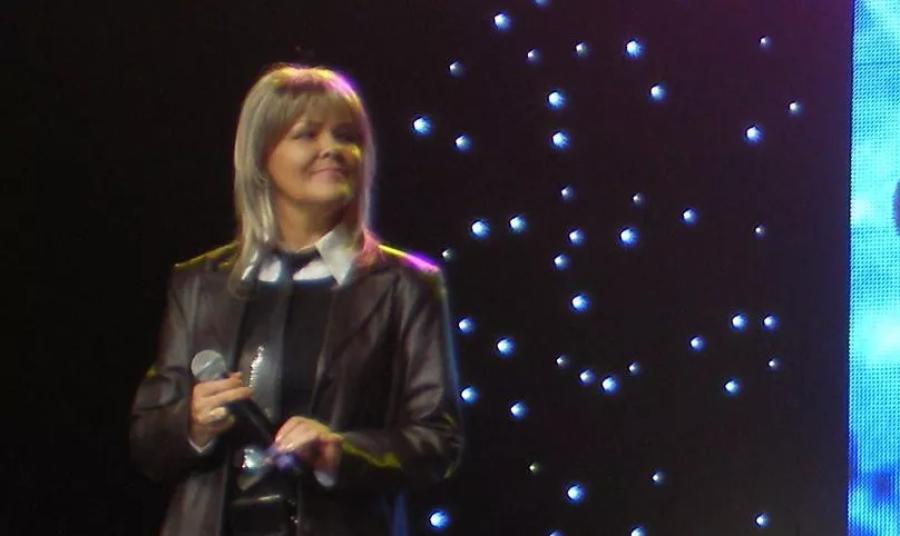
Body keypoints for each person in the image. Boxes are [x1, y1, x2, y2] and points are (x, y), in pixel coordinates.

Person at [130, 64, 464, 536]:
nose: (333, 149)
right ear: (261, 156)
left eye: (346, 136)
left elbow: (437, 439)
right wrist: (193, 423)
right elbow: (147, 441)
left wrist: (339, 452)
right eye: (307, 134)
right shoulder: (200, 284)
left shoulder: (405, 286)